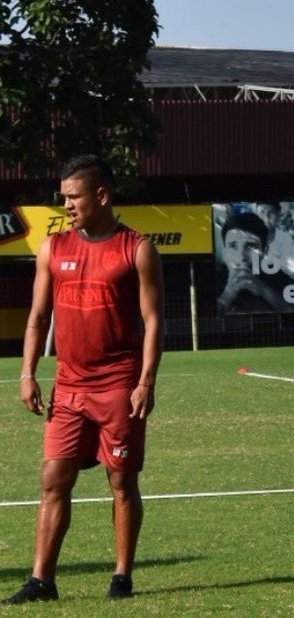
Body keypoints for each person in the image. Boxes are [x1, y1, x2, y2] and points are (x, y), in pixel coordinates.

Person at [5, 155, 164, 605]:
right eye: (63, 197)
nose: (66, 204)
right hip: (69, 388)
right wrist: (27, 373)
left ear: (101, 195)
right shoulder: (52, 249)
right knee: (53, 479)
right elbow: (37, 318)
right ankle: (41, 582)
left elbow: (154, 322)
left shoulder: (137, 249)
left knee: (121, 481)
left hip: (118, 385)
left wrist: (145, 382)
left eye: (73, 196)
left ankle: (121, 577)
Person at [216, 210, 290, 313]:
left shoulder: (279, 277)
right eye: (233, 246)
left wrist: (263, 289)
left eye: (250, 246)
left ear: (265, 251)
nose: (241, 256)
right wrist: (227, 294)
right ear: (224, 251)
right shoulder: (210, 280)